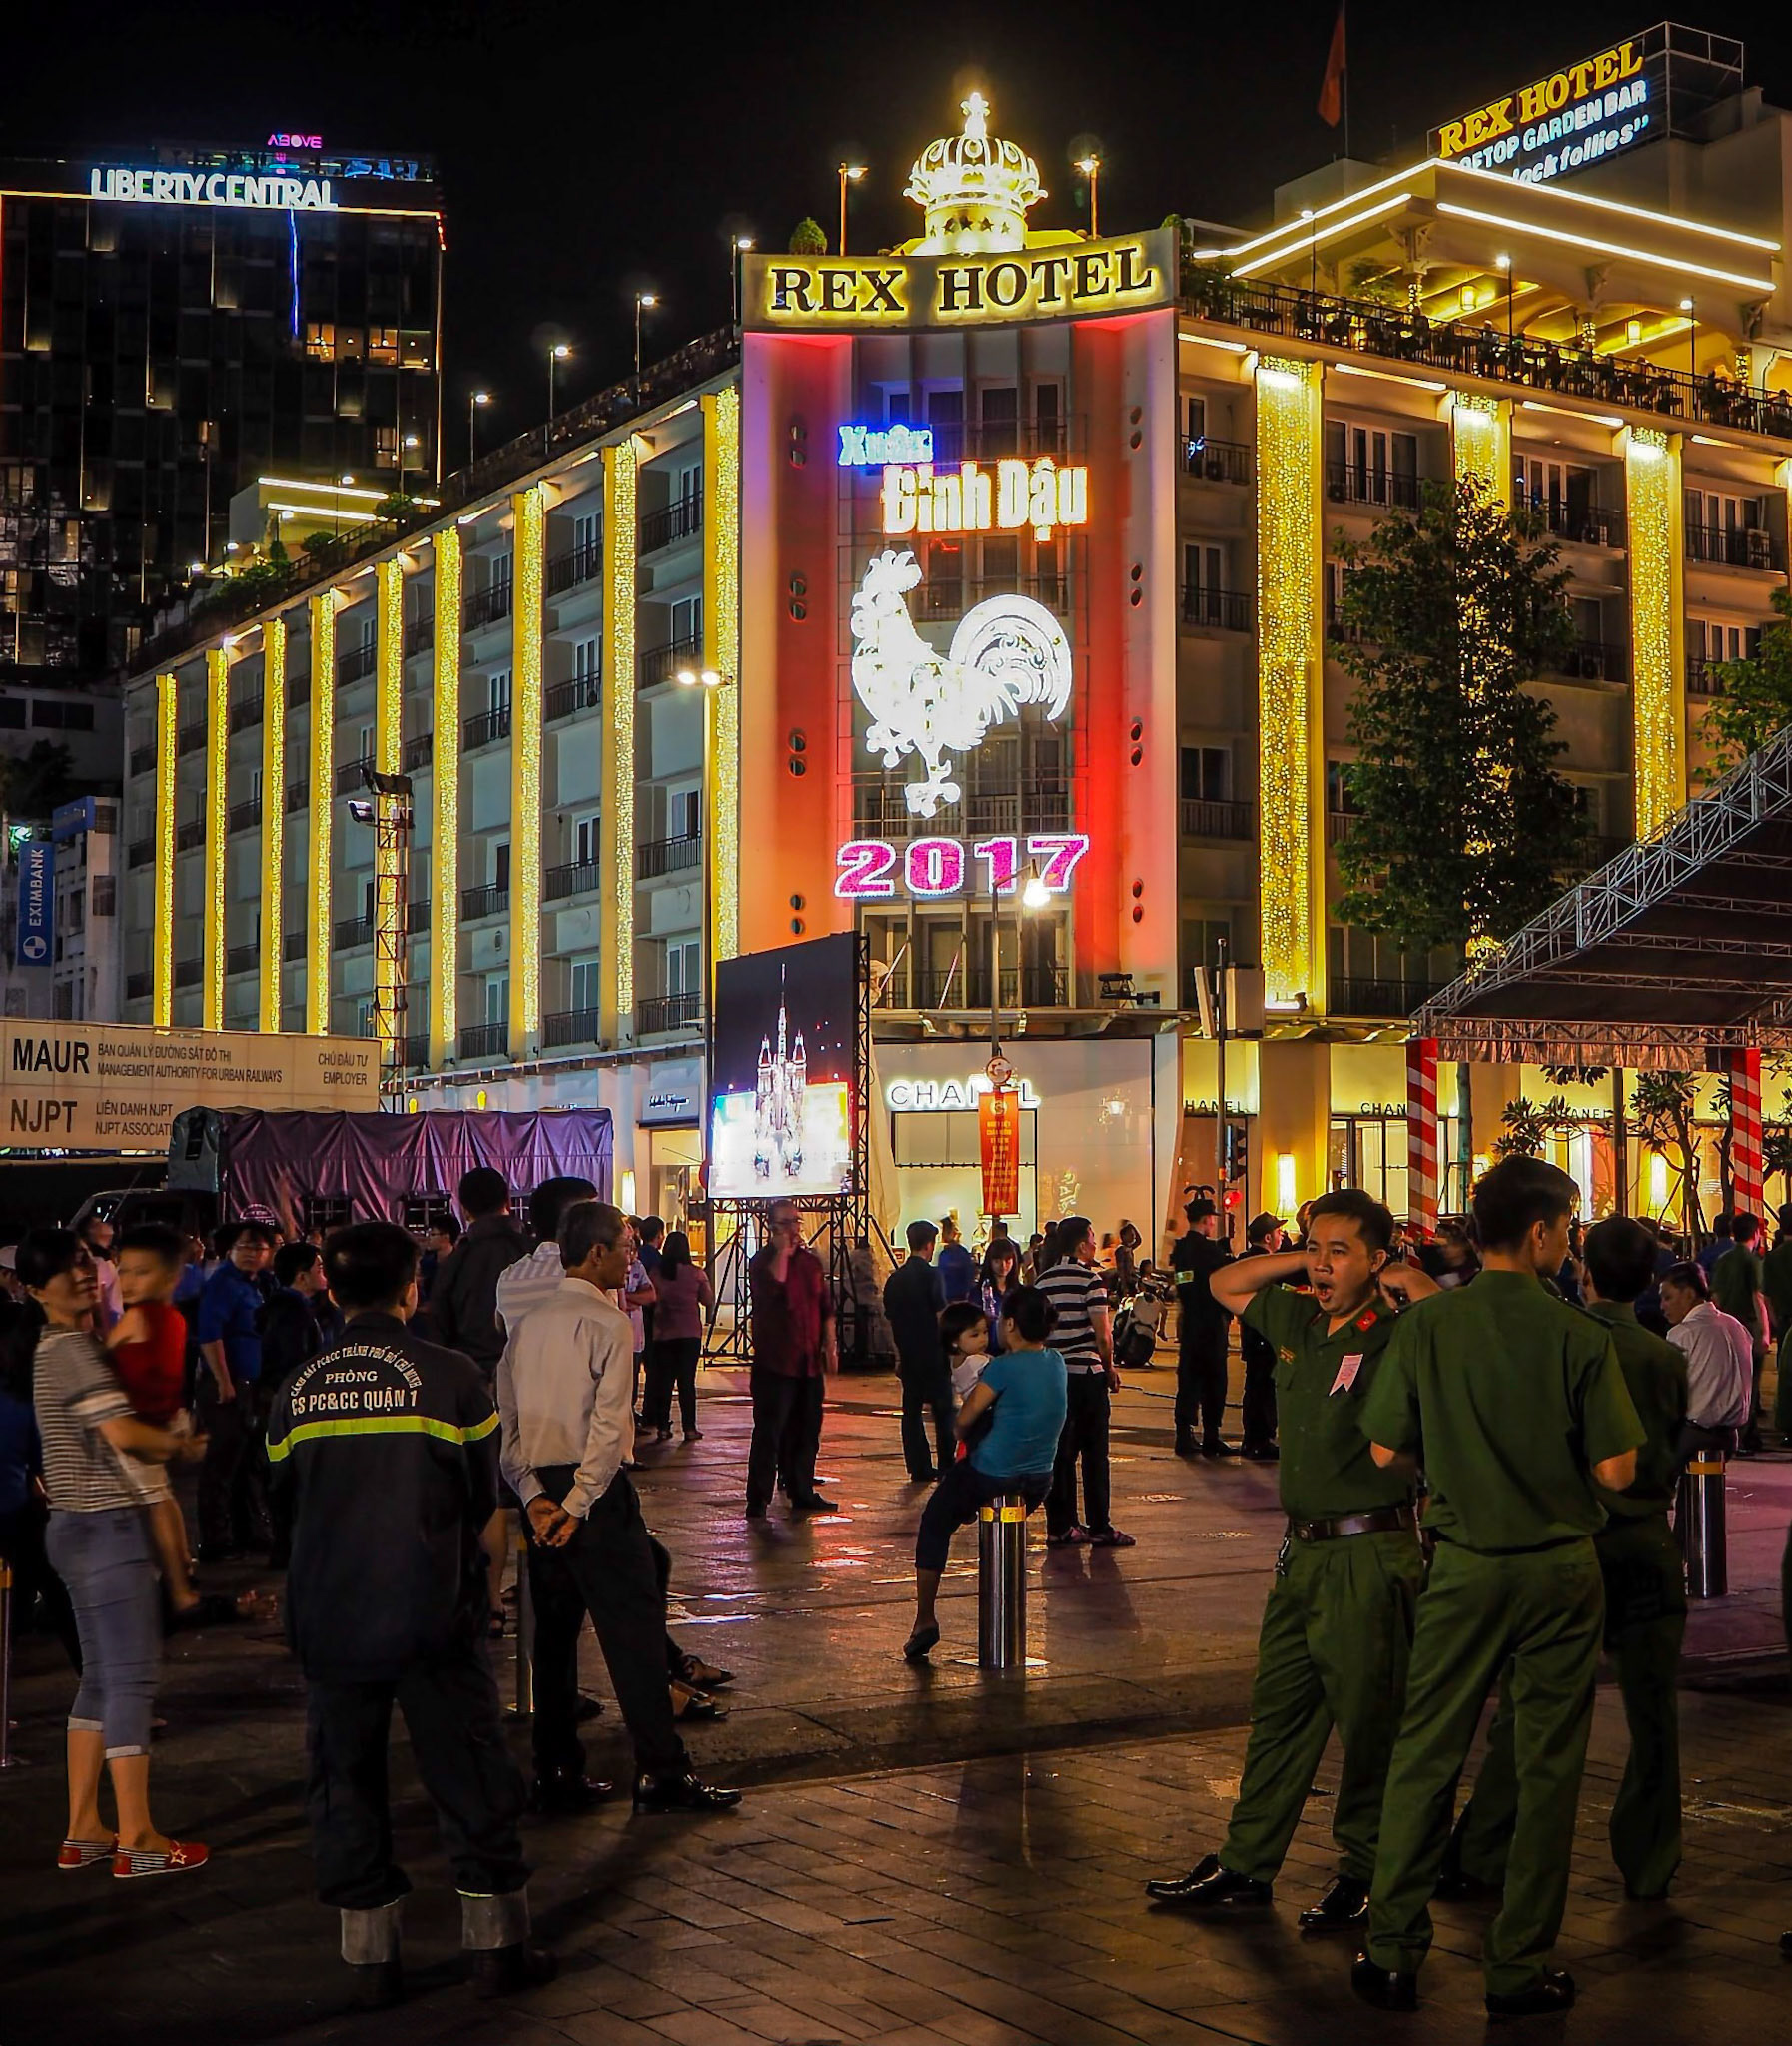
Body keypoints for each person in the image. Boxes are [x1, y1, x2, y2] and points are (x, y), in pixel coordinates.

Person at [1349, 1158, 1642, 2020]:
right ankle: (1516, 1967)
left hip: (1464, 1564)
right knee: (1547, 1767)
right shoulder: (1579, 1335)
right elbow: (1619, 1468)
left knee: (1428, 1750)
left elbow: (1380, 1453)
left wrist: (1453, 1459)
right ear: (1545, 1232)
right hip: (1560, 1566)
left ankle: (1393, 1950)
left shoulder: (1431, 1327)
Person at [266, 1222, 547, 2009]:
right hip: (430, 1613)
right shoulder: (452, 1377)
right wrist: (488, 1595)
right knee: (469, 1775)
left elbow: (282, 1505)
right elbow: (485, 1504)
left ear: (330, 1284)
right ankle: (496, 1949)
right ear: (411, 1286)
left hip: (330, 1618)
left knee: (344, 1783)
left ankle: (370, 1961)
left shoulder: (299, 1386)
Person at [1146, 1191, 1419, 1930]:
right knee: (1280, 1712)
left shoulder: (1398, 1334)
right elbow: (1225, 1284)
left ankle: (1368, 1870)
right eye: (1315, 1247)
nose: (1324, 1264)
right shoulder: (1300, 1318)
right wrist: (1307, 1258)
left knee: (1370, 1722)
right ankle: (1247, 1860)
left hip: (1370, 1550)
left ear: (1379, 1260)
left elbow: (1452, 1338)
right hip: (1304, 1552)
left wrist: (1409, 1285)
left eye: (1341, 1251)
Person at [1443, 1217, 1689, 1905]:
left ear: (1584, 1270)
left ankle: (1485, 1847)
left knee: (1534, 1704)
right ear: (1650, 1280)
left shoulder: (1566, 1340)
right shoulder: (1662, 1356)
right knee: (1653, 1712)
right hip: (1646, 1537)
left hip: (1575, 1538)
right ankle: (1649, 1860)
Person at [496, 1198, 739, 1819]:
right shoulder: (605, 1324)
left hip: (541, 1491)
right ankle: (661, 1771)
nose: (633, 1259)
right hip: (593, 1495)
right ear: (597, 1251)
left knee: (552, 1638)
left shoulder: (527, 1327)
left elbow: (512, 1429)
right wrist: (576, 1506)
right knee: (631, 1635)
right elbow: (610, 1430)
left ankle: (554, 1768)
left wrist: (536, 1499)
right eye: (626, 1248)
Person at [22, 1229, 210, 1879]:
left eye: (82, 1261)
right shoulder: (74, 1348)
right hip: (106, 1526)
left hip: (72, 1526)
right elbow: (124, 1432)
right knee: (130, 1680)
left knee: (99, 1678)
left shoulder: (62, 1345)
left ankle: (83, 1829)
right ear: (31, 1288)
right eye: (62, 1268)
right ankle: (138, 1838)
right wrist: (178, 1446)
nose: (81, 1274)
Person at [902, 1286, 1068, 1661]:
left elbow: (963, 1421)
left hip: (992, 1474)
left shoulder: (1001, 1367)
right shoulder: (1056, 1361)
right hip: (1040, 1480)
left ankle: (925, 1618)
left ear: (1010, 1324)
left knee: (935, 1519)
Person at [108, 1226, 209, 1618]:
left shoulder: (139, 1318)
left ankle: (178, 1587)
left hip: (141, 1426)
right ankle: (183, 1569)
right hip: (167, 1419)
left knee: (155, 1503)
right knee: (163, 1500)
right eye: (124, 1270)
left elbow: (96, 1363)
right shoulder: (175, 1318)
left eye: (140, 1272)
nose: (127, 1281)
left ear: (171, 1276)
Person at [1039, 1217, 1132, 1548]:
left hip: (1053, 1378)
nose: (1095, 1245)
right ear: (1081, 1245)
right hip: (1086, 1377)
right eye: (1092, 1239)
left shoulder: (1043, 1282)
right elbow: (1103, 1335)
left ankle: (1060, 1526)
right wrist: (1109, 1369)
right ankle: (1099, 1525)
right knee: (1094, 1454)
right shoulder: (1091, 1280)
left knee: (1059, 1454)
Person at [745, 1201, 838, 1520]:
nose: (794, 1229)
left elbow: (825, 1305)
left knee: (808, 1428)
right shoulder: (762, 1262)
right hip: (776, 1362)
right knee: (770, 1431)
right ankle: (758, 1498)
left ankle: (802, 1489)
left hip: (807, 1360)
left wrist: (830, 1344)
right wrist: (783, 1252)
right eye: (786, 1223)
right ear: (771, 1226)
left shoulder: (810, 1262)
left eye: (796, 1222)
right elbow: (775, 1287)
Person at [194, 1219, 278, 1562]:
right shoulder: (223, 1285)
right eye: (244, 1247)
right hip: (226, 1385)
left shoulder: (262, 1283)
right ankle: (216, 1541)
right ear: (230, 1249)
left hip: (252, 1385)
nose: (252, 1254)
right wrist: (224, 1381)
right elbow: (210, 1334)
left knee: (248, 1462)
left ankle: (248, 1533)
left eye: (259, 1247)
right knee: (222, 1464)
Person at [1659, 1261, 1752, 1461]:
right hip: (1730, 1434)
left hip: (1693, 1433)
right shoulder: (1736, 1326)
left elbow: (1668, 1392)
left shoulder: (1683, 1333)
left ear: (1689, 1294)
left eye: (1668, 1297)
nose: (1663, 1306)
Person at [1167, 1198, 1235, 1458]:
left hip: (1191, 1320)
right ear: (1207, 1220)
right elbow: (1223, 1282)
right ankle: (1211, 1435)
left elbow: (1183, 1281)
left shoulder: (1182, 1249)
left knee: (1188, 1379)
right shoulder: (1211, 1251)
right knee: (1214, 1379)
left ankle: (1184, 1434)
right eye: (1212, 1219)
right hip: (1211, 1322)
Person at [885, 1221, 950, 1483]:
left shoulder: (895, 1278)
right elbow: (940, 1315)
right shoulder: (933, 1275)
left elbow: (889, 1320)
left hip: (909, 1353)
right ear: (929, 1245)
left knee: (911, 1411)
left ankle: (918, 1465)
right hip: (933, 1352)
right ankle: (947, 1464)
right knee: (943, 1410)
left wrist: (898, 1355)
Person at [641, 1231, 713, 1443]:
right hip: (690, 1333)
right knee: (686, 1382)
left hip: (663, 1333)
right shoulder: (697, 1273)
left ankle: (664, 1427)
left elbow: (651, 1299)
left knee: (664, 1382)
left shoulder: (656, 1273)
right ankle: (690, 1428)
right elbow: (708, 1300)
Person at [1709, 1213, 1767, 1447]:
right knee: (1750, 1383)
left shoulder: (1723, 1259)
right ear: (1756, 1234)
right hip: (1748, 1324)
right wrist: (1764, 1332)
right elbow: (1758, 1297)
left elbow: (1716, 1295)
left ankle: (1735, 1431)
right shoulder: (1752, 1262)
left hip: (1726, 1323)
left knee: (1730, 1379)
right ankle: (1745, 1434)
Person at [1234, 1212, 1284, 1460]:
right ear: (1267, 1237)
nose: (1281, 1235)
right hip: (1264, 1334)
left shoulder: (1243, 1261)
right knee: (1263, 1387)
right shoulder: (1265, 1265)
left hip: (1251, 1334)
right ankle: (1260, 1439)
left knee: (1254, 1385)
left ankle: (1252, 1438)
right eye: (1278, 1231)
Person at [79, 1214, 124, 1331]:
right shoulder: (98, 1263)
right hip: (109, 1318)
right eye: (99, 1223)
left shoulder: (109, 1257)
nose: (106, 1224)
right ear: (91, 1230)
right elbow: (99, 1301)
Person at [978, 1237, 1021, 1350]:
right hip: (985, 1350)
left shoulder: (1019, 1292)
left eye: (1007, 1261)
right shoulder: (979, 1291)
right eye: (997, 1261)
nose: (1003, 1266)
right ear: (990, 1262)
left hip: (1014, 1350)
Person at [935, 1214, 978, 1306]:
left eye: (944, 1231)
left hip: (959, 1298)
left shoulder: (960, 1253)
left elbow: (969, 1275)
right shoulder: (942, 1253)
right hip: (946, 1299)